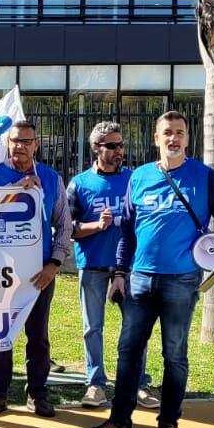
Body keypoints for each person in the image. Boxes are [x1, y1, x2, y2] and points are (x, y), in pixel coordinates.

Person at [82, 111, 214, 428]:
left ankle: (168, 423)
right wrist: (120, 273)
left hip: (182, 282)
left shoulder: (204, 177)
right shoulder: (139, 178)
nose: (174, 139)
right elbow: (127, 232)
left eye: (180, 133)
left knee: (174, 355)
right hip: (139, 280)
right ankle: (120, 420)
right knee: (128, 351)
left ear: (188, 138)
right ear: (156, 138)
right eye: (167, 133)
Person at [0, 121, 72, 418]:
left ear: (36, 144)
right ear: (7, 142)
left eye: (26, 141)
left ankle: (37, 394)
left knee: (38, 336)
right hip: (1, 270)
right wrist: (12, 189)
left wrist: (54, 265)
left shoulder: (51, 178)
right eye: (15, 141)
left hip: (38, 273)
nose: (20, 146)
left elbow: (64, 225)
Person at [67, 121, 158, 411]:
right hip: (93, 265)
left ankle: (138, 384)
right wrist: (97, 225)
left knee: (135, 327)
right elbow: (69, 228)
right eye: (112, 146)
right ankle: (96, 384)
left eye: (121, 145)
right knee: (92, 328)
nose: (119, 151)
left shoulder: (136, 179)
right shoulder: (79, 183)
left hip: (130, 268)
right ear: (96, 148)